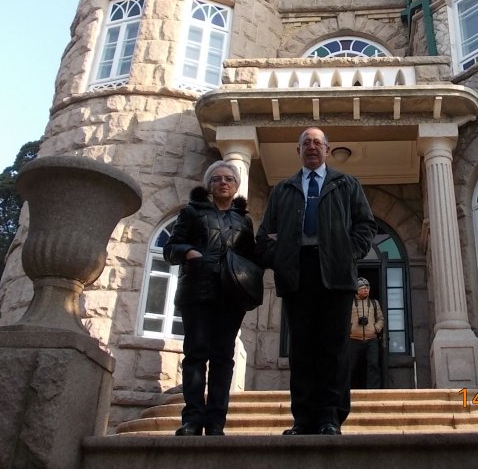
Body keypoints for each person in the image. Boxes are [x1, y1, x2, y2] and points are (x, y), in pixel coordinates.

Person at [256, 127, 377, 435]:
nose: (311, 147)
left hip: (335, 273)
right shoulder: (283, 190)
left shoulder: (346, 184)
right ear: (298, 151)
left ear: (327, 149)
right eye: (306, 143)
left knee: (334, 349)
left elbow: (365, 225)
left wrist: (347, 252)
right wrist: (281, 257)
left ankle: (330, 418)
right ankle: (303, 419)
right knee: (302, 349)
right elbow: (263, 237)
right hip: (297, 274)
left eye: (317, 143)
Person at [163, 160, 256, 436]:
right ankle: (191, 419)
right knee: (195, 355)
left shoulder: (244, 221)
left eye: (228, 178)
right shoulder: (192, 213)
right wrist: (189, 252)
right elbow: (170, 248)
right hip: (197, 294)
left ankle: (216, 421)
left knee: (223, 359)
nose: (223, 182)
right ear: (209, 185)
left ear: (236, 185)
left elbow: (250, 256)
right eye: (217, 179)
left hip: (230, 296)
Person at [349, 277, 384, 389]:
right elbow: (342, 319)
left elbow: (381, 319)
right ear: (357, 290)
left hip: (371, 339)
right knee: (351, 366)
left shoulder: (374, 303)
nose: (366, 290)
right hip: (353, 339)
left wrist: (376, 328)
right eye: (363, 288)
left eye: (367, 288)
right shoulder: (350, 303)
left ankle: (374, 390)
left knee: (373, 365)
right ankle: (348, 389)